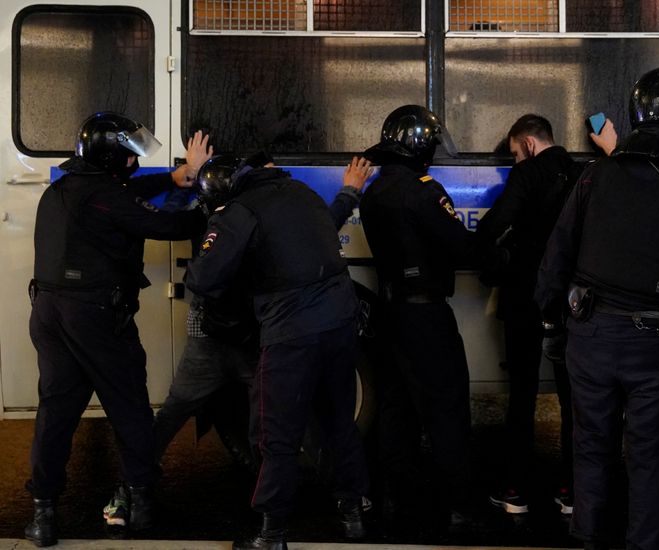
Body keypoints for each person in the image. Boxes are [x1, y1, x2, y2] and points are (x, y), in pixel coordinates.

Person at [535, 67, 659, 550]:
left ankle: (587, 537)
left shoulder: (594, 176)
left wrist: (551, 323)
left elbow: (556, 255)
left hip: (590, 334)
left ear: (637, 113)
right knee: (648, 455)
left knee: (591, 447)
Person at [24, 112, 213, 547]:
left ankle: (42, 516)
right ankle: (141, 504)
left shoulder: (64, 189)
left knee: (56, 412)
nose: (133, 163)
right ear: (114, 159)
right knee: (129, 406)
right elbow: (171, 225)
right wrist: (205, 187)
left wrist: (172, 176)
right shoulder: (106, 196)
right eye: (130, 156)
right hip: (94, 315)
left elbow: (123, 195)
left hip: (49, 313)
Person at [185, 155, 370, 550]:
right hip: (341, 321)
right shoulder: (300, 191)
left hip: (291, 331)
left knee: (277, 433)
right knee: (340, 420)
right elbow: (330, 218)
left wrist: (215, 223)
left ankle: (271, 534)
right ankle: (352, 513)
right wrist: (351, 192)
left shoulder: (239, 211)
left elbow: (202, 277)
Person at [152, 155, 374, 467]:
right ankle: (132, 483)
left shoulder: (250, 213)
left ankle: (301, 485)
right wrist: (182, 177)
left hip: (240, 337)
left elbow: (316, 227)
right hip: (219, 338)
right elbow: (176, 238)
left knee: (272, 414)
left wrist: (349, 194)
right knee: (180, 411)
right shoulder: (234, 216)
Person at [359, 104, 505, 532]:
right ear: (421, 148)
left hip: (389, 314)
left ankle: (395, 502)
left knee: (395, 410)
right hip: (426, 318)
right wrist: (499, 248)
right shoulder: (424, 192)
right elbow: (461, 247)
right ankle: (458, 506)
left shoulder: (374, 191)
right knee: (446, 410)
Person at [476, 114, 582, 516]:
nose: (515, 162)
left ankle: (516, 491)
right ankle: (572, 493)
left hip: (525, 298)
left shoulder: (527, 175)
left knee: (522, 394)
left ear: (529, 144)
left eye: (515, 153)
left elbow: (492, 229)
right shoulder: (581, 174)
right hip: (571, 302)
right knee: (574, 398)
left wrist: (500, 259)